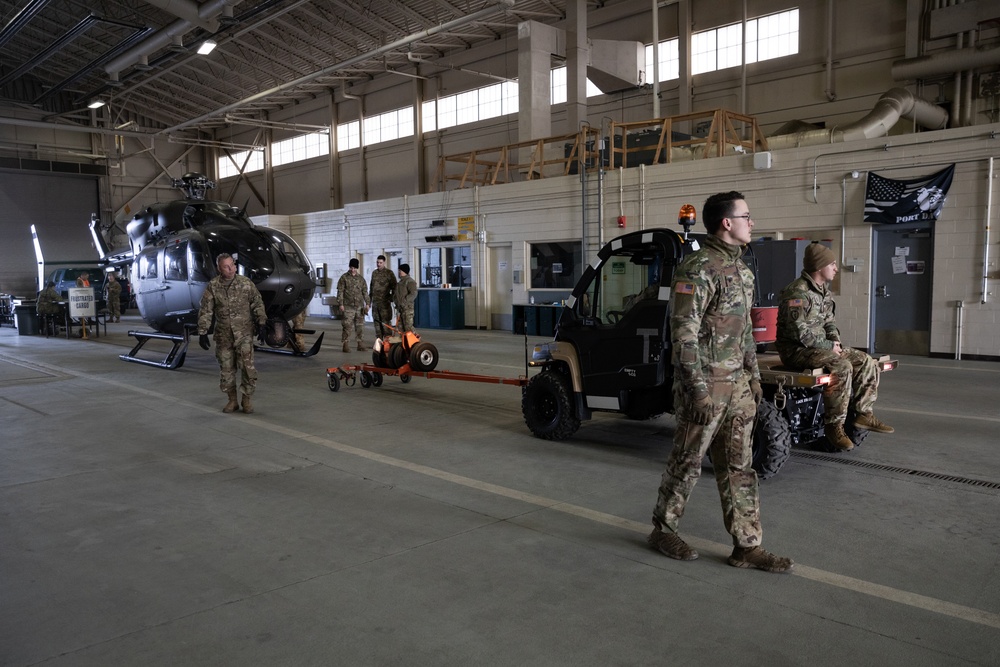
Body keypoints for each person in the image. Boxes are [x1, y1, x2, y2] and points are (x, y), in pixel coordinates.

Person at [648, 191, 793, 573]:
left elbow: (745, 331)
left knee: (739, 467)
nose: (752, 222)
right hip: (707, 387)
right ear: (727, 223)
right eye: (747, 215)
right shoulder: (698, 268)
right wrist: (695, 388)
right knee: (688, 461)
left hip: (739, 388)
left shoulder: (743, 271)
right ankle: (663, 529)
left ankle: (747, 546)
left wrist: (755, 377)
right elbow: (683, 333)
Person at [775, 242, 894, 451]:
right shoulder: (797, 293)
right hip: (797, 350)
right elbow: (799, 333)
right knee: (843, 367)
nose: (836, 268)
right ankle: (834, 426)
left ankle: (864, 414)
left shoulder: (823, 292)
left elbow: (829, 322)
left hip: (821, 348)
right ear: (819, 267)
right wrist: (829, 346)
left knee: (866, 361)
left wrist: (835, 342)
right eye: (832, 264)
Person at [197, 253, 267, 414]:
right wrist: (202, 331)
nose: (231, 269)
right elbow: (206, 310)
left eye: (232, 265)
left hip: (244, 335)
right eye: (226, 267)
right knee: (227, 370)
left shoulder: (245, 283)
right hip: (223, 336)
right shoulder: (213, 286)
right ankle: (232, 400)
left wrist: (262, 322)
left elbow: (257, 302)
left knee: (248, 369)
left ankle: (247, 399)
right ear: (219, 268)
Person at [337, 258, 370, 352]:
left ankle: (360, 344)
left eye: (355, 268)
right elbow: (340, 291)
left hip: (359, 307)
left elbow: (365, 292)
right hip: (348, 306)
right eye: (351, 267)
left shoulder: (361, 279)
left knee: (360, 326)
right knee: (347, 326)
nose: (353, 270)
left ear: (357, 268)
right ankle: (345, 344)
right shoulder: (344, 278)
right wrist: (341, 304)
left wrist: (367, 304)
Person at [369, 255, 397, 339]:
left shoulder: (389, 273)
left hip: (385, 304)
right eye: (377, 262)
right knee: (377, 324)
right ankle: (379, 342)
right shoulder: (374, 273)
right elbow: (371, 288)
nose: (378, 264)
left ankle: (388, 343)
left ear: (384, 262)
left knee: (386, 324)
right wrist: (369, 301)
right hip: (375, 304)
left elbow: (395, 287)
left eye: (380, 263)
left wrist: (391, 298)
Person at [393, 263, 418, 333]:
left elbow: (414, 294)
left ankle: (416, 341)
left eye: (400, 270)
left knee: (408, 327)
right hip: (400, 309)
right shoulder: (400, 282)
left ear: (404, 271)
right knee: (401, 328)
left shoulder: (410, 281)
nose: (399, 272)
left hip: (407, 309)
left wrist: (404, 302)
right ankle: (404, 343)